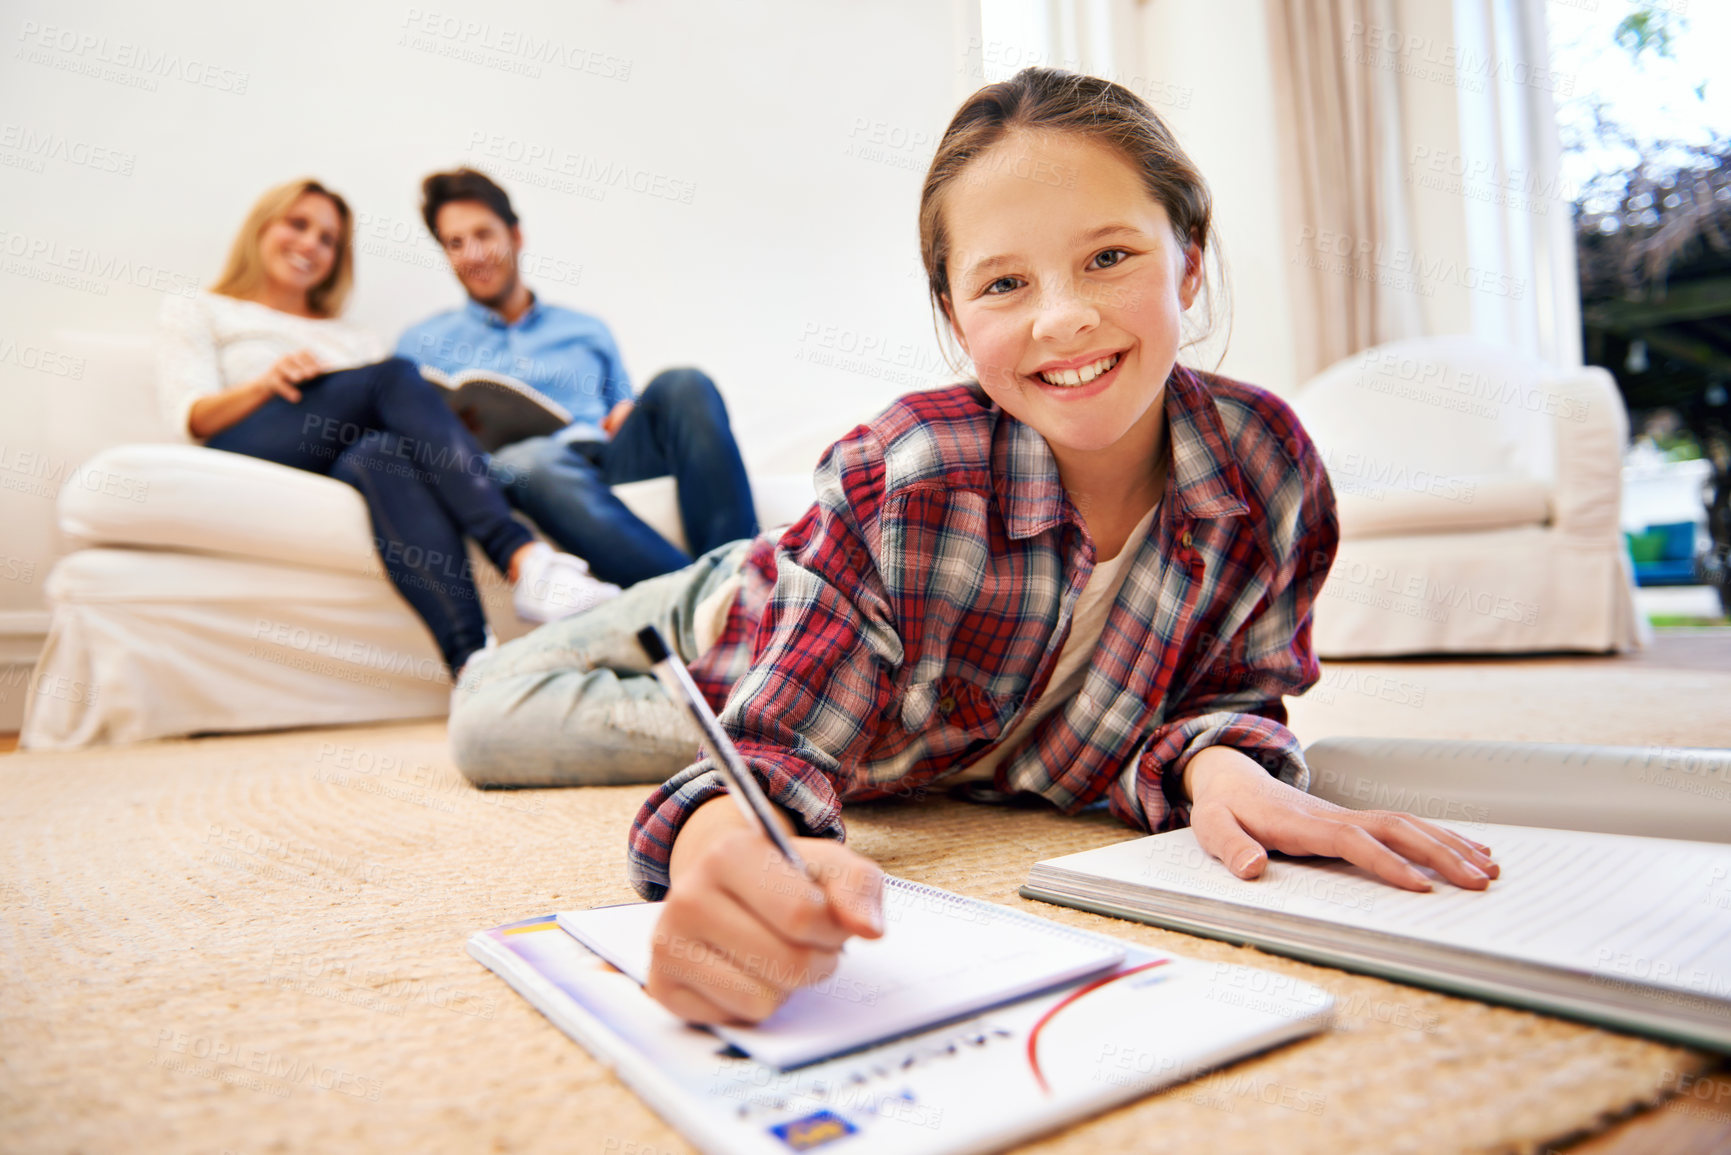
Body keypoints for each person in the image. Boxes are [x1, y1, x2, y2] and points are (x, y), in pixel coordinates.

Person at [458, 68, 1503, 1026]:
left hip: (895, 705)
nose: (1064, 318)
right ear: (954, 315)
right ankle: (651, 632)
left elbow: (1228, 687)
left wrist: (1223, 767)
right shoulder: (904, 469)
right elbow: (777, 753)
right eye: (1005, 285)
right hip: (750, 610)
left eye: (1109, 256)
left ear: (1188, 261)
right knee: (488, 718)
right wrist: (725, 842)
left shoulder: (1267, 465)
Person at [156, 177, 622, 684]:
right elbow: (192, 414)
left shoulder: (353, 338)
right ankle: (522, 557)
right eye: (298, 225)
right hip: (250, 438)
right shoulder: (202, 308)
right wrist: (265, 385)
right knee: (397, 374)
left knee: (379, 452)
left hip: (334, 456)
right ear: (262, 228)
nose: (311, 244)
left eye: (328, 239)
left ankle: (473, 662)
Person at [396, 168, 760, 588]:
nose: (473, 254)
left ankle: (743, 574)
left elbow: (620, 408)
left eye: (484, 234)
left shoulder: (585, 329)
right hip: (516, 474)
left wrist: (625, 412)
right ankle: (713, 600)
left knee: (684, 382)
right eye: (455, 243)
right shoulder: (420, 344)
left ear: (516, 236)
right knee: (530, 458)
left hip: (603, 459)